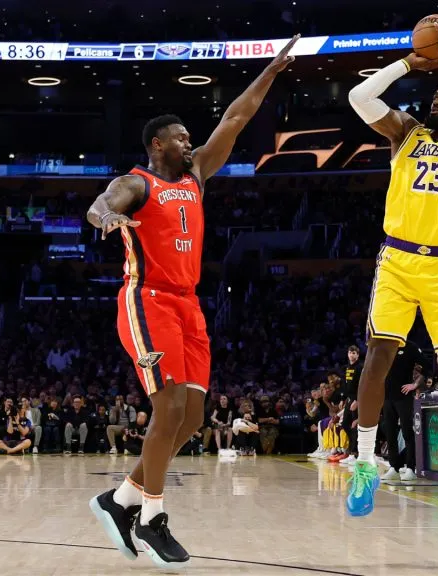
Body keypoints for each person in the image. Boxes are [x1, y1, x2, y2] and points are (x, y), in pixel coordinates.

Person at [86, 36, 299, 569]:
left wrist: (271, 72)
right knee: (169, 409)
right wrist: (107, 218)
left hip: (188, 305)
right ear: (157, 145)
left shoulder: (197, 174)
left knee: (194, 417)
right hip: (147, 300)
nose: (189, 143)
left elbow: (235, 118)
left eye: (189, 138)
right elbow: (101, 203)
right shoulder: (136, 183)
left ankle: (121, 498)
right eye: (180, 138)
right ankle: (151, 516)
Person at [344, 17, 438, 533]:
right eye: (434, 93)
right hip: (397, 260)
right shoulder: (406, 133)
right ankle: (366, 464)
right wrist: (409, 62)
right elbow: (360, 98)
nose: (437, 98)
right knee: (377, 359)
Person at [380, 339, 430, 483]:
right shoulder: (386, 346)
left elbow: (427, 367)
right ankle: (394, 467)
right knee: (390, 433)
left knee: (407, 432)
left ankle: (410, 468)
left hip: (403, 397)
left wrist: (414, 384)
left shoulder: (410, 347)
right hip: (387, 397)